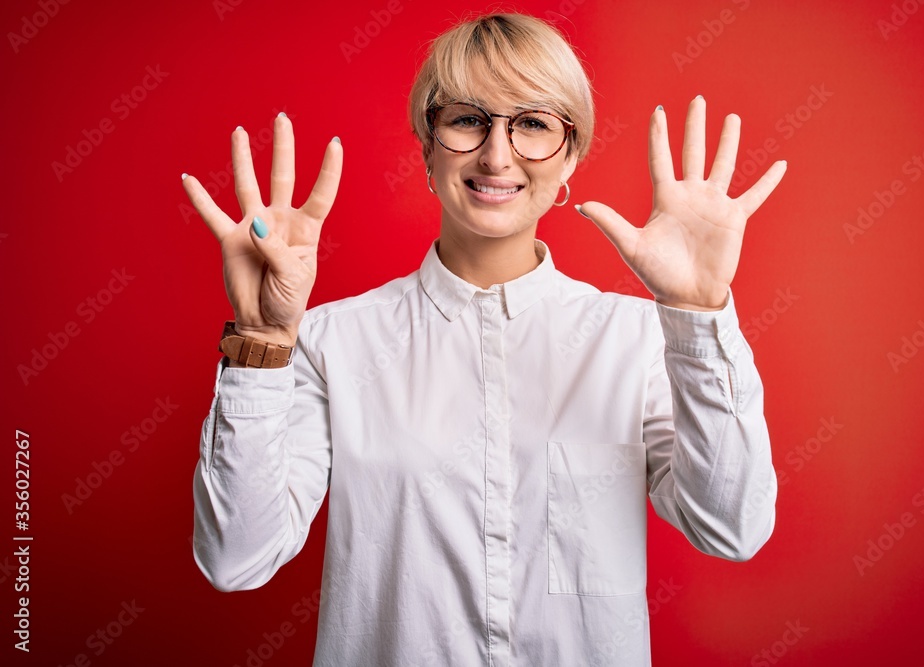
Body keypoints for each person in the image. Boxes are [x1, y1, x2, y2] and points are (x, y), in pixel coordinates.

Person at [182, 12, 784, 667]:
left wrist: (698, 313)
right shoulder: (334, 342)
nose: (498, 155)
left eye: (532, 124)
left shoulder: (637, 340)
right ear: (428, 147)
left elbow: (732, 526)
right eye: (468, 119)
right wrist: (261, 340)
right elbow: (236, 557)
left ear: (570, 154)